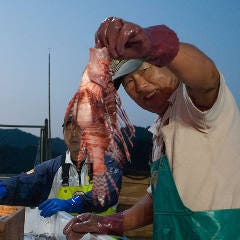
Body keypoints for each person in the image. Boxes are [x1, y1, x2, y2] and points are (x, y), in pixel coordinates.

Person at [63, 17, 240, 240]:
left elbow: (208, 78)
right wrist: (108, 222)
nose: (140, 85)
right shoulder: (159, 131)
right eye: (128, 82)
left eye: (146, 69)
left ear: (169, 64)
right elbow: (158, 199)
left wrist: (155, 42)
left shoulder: (199, 107)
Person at [0, 112, 122, 218]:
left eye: (79, 128)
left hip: (103, 235)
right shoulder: (52, 167)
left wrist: (72, 203)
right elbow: (25, 182)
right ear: (63, 133)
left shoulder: (108, 162)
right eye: (68, 129)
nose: (73, 134)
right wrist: (5, 188)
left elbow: (106, 193)